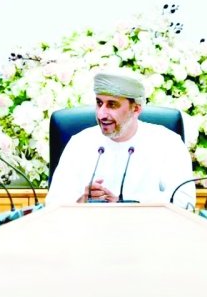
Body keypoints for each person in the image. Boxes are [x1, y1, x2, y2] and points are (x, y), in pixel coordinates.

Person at [46, 70, 195, 208]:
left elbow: (184, 203)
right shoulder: (79, 143)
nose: (101, 114)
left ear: (135, 109)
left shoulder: (168, 143)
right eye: (99, 103)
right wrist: (82, 200)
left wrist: (126, 204)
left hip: (148, 227)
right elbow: (53, 204)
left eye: (112, 105)